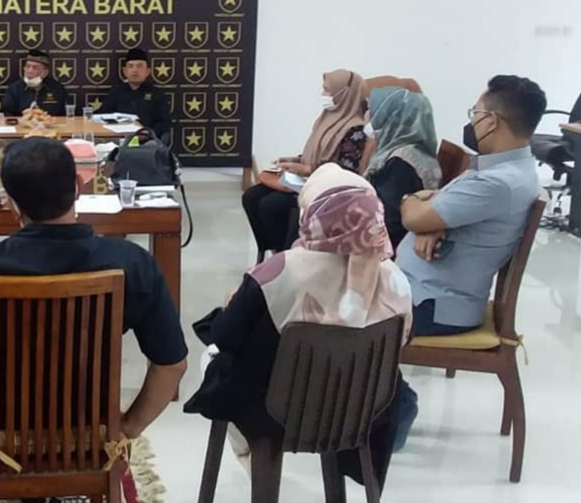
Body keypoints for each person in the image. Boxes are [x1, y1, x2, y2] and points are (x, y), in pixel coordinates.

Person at [0, 137, 187, 439]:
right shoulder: (130, 262)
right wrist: (128, 428)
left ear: (11, 203)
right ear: (77, 187)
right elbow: (171, 365)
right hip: (87, 423)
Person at [184, 164, 413, 483]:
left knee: (212, 357)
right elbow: (401, 343)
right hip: (360, 414)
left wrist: (234, 300)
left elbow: (225, 337)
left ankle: (249, 452)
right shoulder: (395, 278)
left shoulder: (279, 270)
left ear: (313, 212)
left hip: (276, 414)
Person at [397, 75, 545, 336]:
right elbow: (435, 208)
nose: (472, 122)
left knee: (325, 311)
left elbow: (412, 218)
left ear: (491, 121)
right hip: (423, 292)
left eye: (475, 113)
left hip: (429, 305)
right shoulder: (506, 170)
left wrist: (410, 199)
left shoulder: (497, 183)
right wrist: (434, 223)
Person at [242, 69, 369, 255]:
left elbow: (347, 170)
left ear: (345, 94)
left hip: (327, 188)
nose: (324, 95)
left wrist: (307, 169)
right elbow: (314, 152)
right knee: (251, 197)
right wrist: (293, 161)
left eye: (328, 91)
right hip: (307, 179)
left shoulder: (355, 129)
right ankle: (270, 250)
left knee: (271, 205)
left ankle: (286, 255)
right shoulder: (325, 118)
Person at [362, 87, 441, 250]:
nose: (368, 116)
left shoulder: (400, 163)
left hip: (387, 248)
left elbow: (389, 220)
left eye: (373, 110)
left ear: (392, 118)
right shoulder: (415, 153)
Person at [97, 48, 171, 140]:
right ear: (125, 71)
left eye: (139, 66)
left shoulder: (157, 94)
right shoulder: (116, 92)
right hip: (119, 139)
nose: (135, 70)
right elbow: (102, 115)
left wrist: (148, 133)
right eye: (131, 66)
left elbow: (164, 123)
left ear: (148, 71)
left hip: (147, 140)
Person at [1, 48, 67, 116]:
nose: (29, 71)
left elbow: (65, 115)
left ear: (45, 73)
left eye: (35, 68)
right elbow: (6, 113)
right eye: (27, 66)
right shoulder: (14, 89)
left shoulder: (57, 89)